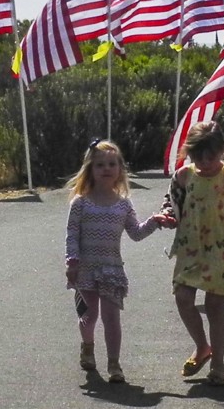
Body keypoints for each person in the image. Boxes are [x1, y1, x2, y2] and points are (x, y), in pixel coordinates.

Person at [159, 121, 224, 386]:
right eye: (198, 157)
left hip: (222, 250)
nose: (205, 162)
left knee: (215, 306)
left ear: (223, 151)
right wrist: (169, 215)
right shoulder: (184, 176)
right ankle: (202, 346)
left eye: (211, 156)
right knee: (183, 298)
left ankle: (218, 365)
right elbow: (171, 201)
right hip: (191, 247)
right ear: (190, 153)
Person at [65, 139, 169, 383]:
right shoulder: (80, 203)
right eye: (100, 165)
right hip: (86, 269)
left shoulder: (123, 204)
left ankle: (114, 363)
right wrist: (72, 260)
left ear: (120, 169)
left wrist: (155, 221)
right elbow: (72, 234)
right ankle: (87, 345)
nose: (107, 169)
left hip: (112, 269)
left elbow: (136, 233)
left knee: (112, 318)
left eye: (112, 164)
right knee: (89, 316)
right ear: (90, 169)